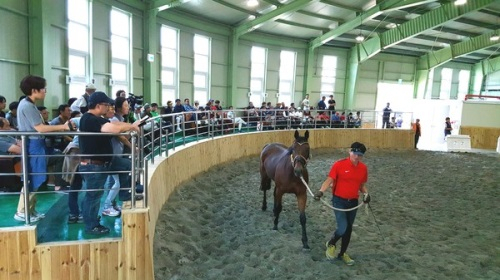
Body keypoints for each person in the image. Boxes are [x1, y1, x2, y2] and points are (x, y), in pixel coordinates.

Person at [78, 91, 141, 235]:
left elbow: (115, 123)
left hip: (105, 161)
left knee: (126, 164)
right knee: (93, 196)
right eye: (107, 105)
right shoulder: (90, 119)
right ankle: (91, 225)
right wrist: (131, 126)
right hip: (94, 165)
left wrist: (130, 125)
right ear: (99, 105)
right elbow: (113, 128)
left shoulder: (97, 118)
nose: (109, 108)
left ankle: (124, 194)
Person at [15, 75, 72, 222]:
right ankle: (22, 211)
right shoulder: (27, 105)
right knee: (33, 178)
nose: (45, 92)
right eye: (43, 89)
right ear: (34, 90)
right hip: (33, 145)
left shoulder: (29, 104)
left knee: (37, 177)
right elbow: (40, 128)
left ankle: (31, 210)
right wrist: (63, 126)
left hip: (37, 144)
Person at [314, 142, 370, 266]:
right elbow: (329, 180)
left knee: (348, 229)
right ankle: (332, 243)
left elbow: (362, 186)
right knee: (343, 226)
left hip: (353, 202)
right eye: (355, 153)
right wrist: (321, 192)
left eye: (359, 155)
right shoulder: (339, 165)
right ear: (350, 152)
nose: (356, 157)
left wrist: (366, 194)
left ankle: (342, 253)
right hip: (339, 201)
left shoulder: (363, 169)